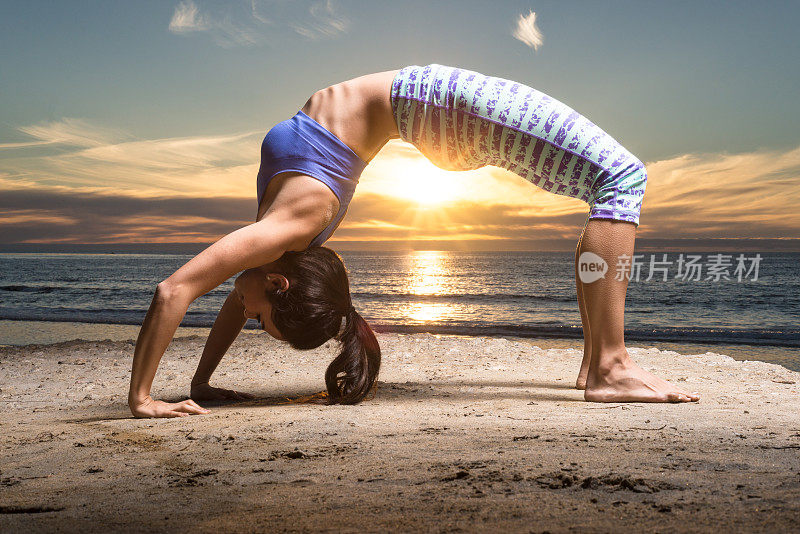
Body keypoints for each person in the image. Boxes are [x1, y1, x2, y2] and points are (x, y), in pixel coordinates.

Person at [128, 64, 699, 418]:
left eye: (258, 317)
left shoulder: (289, 232)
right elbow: (233, 300)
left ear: (279, 284)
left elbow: (173, 290)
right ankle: (603, 365)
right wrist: (202, 382)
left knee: (619, 178)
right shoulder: (280, 246)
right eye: (260, 318)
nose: (243, 309)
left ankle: (605, 365)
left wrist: (142, 399)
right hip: (434, 110)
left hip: (437, 106)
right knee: (618, 179)